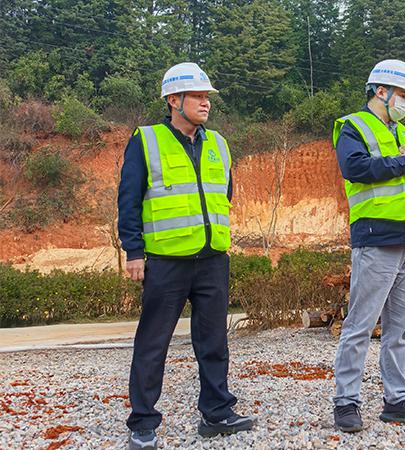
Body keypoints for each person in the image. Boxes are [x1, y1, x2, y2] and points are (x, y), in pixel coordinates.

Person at [118, 62, 255, 449]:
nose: (205, 102)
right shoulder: (146, 140)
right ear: (173, 100)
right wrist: (133, 250)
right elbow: (128, 199)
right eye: (196, 96)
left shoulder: (219, 144)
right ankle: (143, 422)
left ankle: (217, 412)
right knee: (153, 343)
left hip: (212, 259)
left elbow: (224, 195)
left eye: (206, 96)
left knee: (214, 341)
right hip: (166, 261)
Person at [330, 59, 405, 433]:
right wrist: (402, 163)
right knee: (360, 324)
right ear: (381, 91)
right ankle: (346, 401)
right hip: (376, 237)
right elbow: (355, 168)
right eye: (402, 93)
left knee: (399, 327)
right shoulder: (353, 126)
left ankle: (398, 399)